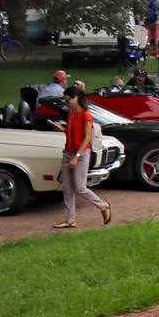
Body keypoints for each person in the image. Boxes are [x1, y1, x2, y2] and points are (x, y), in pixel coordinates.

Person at [56, 90, 110, 228]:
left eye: (67, 100)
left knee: (79, 187)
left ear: (75, 98)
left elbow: (87, 138)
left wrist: (77, 157)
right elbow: (73, 132)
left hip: (80, 154)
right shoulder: (71, 113)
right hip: (68, 152)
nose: (66, 103)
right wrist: (63, 129)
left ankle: (102, 205)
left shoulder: (85, 114)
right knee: (67, 188)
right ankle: (70, 219)